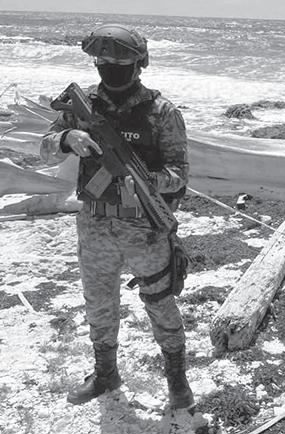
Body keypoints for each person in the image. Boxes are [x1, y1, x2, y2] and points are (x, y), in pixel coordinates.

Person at [40, 24, 194, 410]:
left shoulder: (162, 112)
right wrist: (67, 139)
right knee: (98, 302)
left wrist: (148, 180)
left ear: (139, 64)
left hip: (144, 228)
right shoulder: (83, 106)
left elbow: (180, 174)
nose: (110, 67)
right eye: (103, 61)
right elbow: (45, 148)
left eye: (120, 62)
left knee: (160, 302)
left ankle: (177, 379)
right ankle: (105, 373)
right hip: (95, 223)